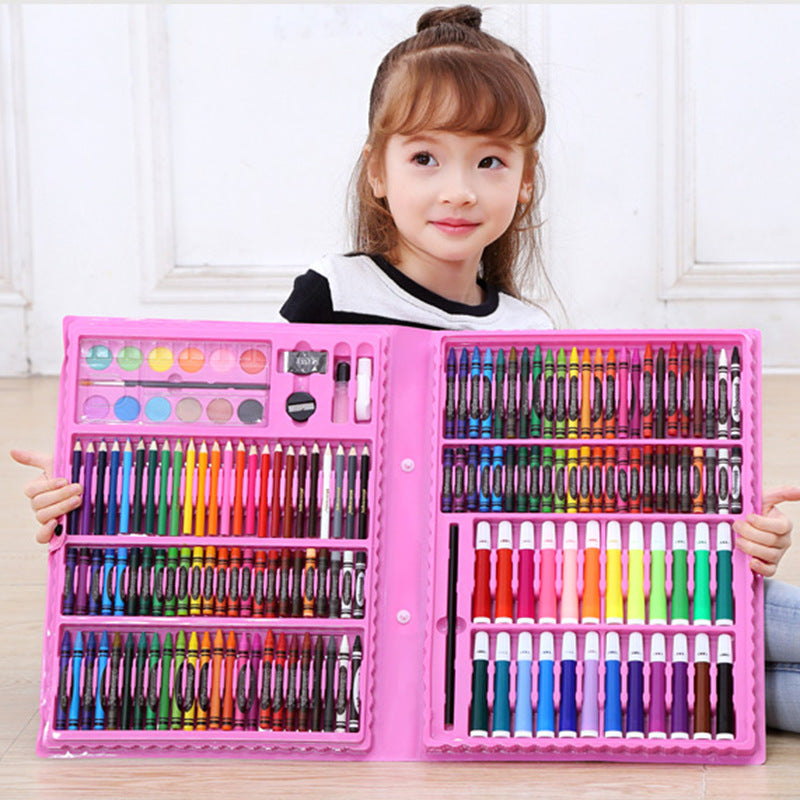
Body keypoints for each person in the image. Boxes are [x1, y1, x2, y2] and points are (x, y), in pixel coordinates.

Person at [12, 5, 800, 733]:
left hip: (515, 607)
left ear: (525, 180)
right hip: (356, 623)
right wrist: (87, 503)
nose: (459, 190)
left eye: (490, 161)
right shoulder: (332, 296)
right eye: (426, 157)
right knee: (748, 667)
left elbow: (575, 502)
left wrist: (731, 535)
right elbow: (249, 465)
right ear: (378, 172)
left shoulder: (528, 334)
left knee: (742, 639)